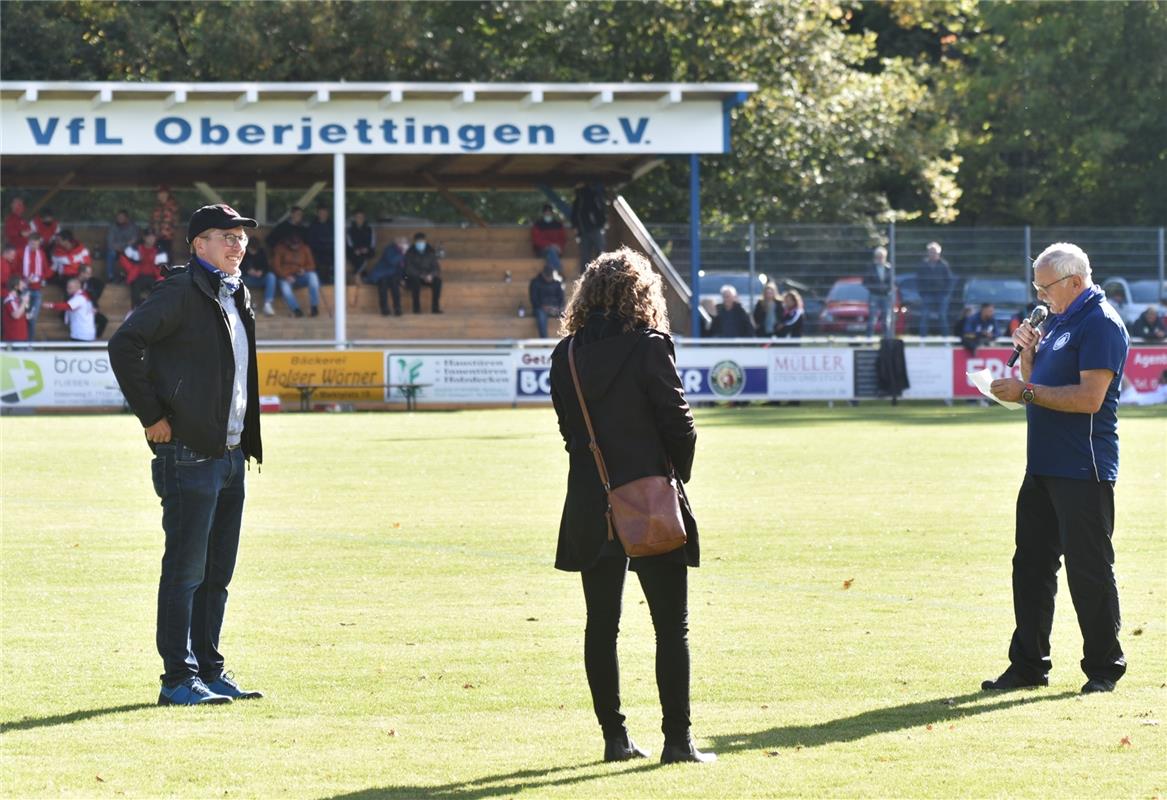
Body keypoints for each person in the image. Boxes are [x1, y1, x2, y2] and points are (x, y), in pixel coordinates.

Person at [548, 246, 712, 765]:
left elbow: (570, 434)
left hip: (588, 501)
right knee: (671, 625)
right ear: (641, 295)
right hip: (646, 496)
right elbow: (679, 422)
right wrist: (672, 476)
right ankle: (677, 741)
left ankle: (614, 739)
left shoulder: (566, 354)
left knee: (601, 625)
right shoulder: (649, 346)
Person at [108, 203, 264, 706]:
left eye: (241, 236)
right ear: (198, 245)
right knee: (186, 571)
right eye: (225, 236)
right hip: (188, 454)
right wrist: (152, 416)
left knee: (217, 572)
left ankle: (209, 669)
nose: (237, 244)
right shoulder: (181, 289)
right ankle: (177, 678)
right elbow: (125, 343)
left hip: (230, 455)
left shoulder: (235, 292)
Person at [986, 242, 1130, 695]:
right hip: (1043, 464)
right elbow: (1040, 384)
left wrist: (1024, 393)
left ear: (1073, 281)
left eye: (1043, 286)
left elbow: (1089, 399)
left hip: (1082, 468)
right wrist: (1028, 357)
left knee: (1088, 569)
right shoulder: (1061, 318)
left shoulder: (1101, 323)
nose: (1039, 295)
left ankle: (1104, 668)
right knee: (1030, 566)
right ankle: (1029, 665)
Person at [270, 235, 320, 318]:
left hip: (300, 276)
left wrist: (304, 270)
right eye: (293, 244)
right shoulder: (280, 249)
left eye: (297, 244)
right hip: (286, 277)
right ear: (288, 243)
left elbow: (312, 265)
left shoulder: (305, 248)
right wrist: (285, 276)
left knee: (313, 276)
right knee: (284, 286)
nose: (295, 246)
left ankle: (314, 307)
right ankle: (296, 309)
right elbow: (276, 266)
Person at [42, 277, 104, 341]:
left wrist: (51, 305)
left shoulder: (80, 298)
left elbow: (68, 306)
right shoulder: (84, 296)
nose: (67, 289)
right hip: (83, 333)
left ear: (77, 287)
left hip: (81, 334)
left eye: (70, 287)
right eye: (67, 287)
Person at [120, 232, 169, 309]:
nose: (151, 239)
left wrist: (160, 278)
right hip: (138, 276)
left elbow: (163, 268)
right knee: (135, 288)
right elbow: (123, 258)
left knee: (158, 289)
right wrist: (131, 271)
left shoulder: (160, 251)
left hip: (153, 277)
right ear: (144, 238)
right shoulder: (135, 248)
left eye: (153, 237)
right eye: (149, 237)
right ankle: (135, 309)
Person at [917, 241, 953, 337]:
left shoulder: (944, 265)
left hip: (941, 294)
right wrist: (922, 293)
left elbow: (949, 280)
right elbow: (919, 280)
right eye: (931, 252)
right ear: (928, 253)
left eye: (935, 252)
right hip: (927, 294)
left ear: (939, 253)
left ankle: (945, 339)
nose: (933, 254)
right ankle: (922, 339)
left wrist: (946, 293)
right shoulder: (923, 265)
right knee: (925, 315)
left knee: (942, 315)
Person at [571, 182, 608, 275]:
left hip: (594, 229)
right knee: (585, 257)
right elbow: (575, 215)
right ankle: (584, 277)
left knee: (601, 252)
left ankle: (603, 273)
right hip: (584, 232)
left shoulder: (592, 196)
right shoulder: (578, 200)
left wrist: (599, 224)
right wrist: (576, 227)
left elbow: (600, 212)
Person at [404, 232, 443, 314]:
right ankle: (416, 309)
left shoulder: (430, 252)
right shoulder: (410, 252)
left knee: (438, 282)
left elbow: (436, 267)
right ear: (415, 242)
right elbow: (409, 269)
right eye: (419, 242)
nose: (421, 243)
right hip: (414, 277)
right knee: (415, 282)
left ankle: (435, 308)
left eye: (422, 241)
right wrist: (422, 275)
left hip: (428, 277)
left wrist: (431, 275)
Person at [19, 231, 48, 340]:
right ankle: (22, 341)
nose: (34, 247)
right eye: (32, 244)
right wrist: (24, 280)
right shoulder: (21, 253)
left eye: (36, 244)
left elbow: (45, 269)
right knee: (22, 317)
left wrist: (42, 279)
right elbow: (16, 269)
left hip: (37, 290)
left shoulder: (41, 254)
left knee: (32, 318)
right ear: (28, 242)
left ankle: (29, 343)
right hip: (24, 289)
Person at [369, 237, 407, 317]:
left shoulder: (403, 252)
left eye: (405, 242)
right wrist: (403, 253)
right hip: (382, 273)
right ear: (397, 243)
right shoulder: (390, 249)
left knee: (395, 286)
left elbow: (404, 267)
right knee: (383, 285)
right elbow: (392, 261)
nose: (403, 244)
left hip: (394, 275)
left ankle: (397, 308)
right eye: (402, 242)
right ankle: (384, 308)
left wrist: (403, 278)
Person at [240, 234, 277, 317]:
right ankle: (246, 305)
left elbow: (266, 267)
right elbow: (237, 267)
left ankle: (268, 304)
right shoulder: (242, 251)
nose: (253, 251)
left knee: (271, 276)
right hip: (246, 278)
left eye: (255, 250)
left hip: (259, 278)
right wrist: (248, 271)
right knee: (236, 278)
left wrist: (261, 272)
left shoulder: (261, 252)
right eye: (251, 250)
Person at [528, 260, 565, 338]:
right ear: (543, 274)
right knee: (541, 315)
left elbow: (561, 298)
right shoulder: (535, 282)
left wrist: (558, 307)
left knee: (567, 313)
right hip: (540, 308)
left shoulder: (557, 283)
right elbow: (534, 300)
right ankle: (544, 340)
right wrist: (543, 307)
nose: (549, 279)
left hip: (555, 308)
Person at [864, 246, 893, 337]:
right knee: (872, 319)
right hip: (874, 295)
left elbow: (893, 282)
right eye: (878, 256)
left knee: (886, 320)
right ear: (875, 257)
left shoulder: (889, 268)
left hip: (886, 296)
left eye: (882, 257)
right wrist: (876, 288)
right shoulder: (870, 268)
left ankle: (887, 341)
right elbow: (865, 282)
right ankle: (869, 340)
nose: (880, 259)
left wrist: (887, 288)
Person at [106, 209, 141, 282]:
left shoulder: (133, 227)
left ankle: (130, 278)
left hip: (128, 251)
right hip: (116, 250)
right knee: (110, 253)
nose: (119, 219)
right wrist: (125, 245)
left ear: (126, 218)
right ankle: (110, 277)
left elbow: (134, 242)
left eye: (121, 217)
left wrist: (123, 247)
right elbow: (110, 243)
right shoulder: (113, 227)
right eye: (118, 217)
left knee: (134, 254)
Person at [307, 205, 335, 285]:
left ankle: (332, 283)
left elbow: (336, 241)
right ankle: (320, 284)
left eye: (324, 213)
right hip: (317, 253)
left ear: (328, 214)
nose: (323, 215)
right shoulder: (313, 226)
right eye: (321, 213)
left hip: (331, 253)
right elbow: (311, 242)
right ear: (317, 214)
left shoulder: (333, 225)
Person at [346, 211, 375, 281]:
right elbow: (349, 243)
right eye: (358, 217)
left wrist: (367, 249)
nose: (360, 219)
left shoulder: (369, 229)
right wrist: (355, 250)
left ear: (364, 218)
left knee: (362, 258)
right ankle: (360, 274)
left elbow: (372, 243)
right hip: (353, 251)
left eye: (361, 217)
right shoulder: (350, 230)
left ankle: (356, 274)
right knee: (359, 258)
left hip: (367, 251)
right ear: (355, 218)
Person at [150, 185, 180, 254]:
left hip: (167, 237)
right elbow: (153, 219)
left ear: (166, 194)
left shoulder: (172, 205)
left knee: (166, 256)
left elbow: (172, 221)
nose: (158, 195)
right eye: (158, 193)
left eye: (160, 193)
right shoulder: (158, 205)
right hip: (156, 237)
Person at [1, 275, 31, 343]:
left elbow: (23, 311)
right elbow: (16, 315)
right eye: (21, 285)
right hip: (14, 338)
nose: (23, 286)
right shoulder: (9, 299)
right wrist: (24, 302)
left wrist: (27, 312)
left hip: (22, 336)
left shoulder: (18, 298)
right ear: (16, 286)